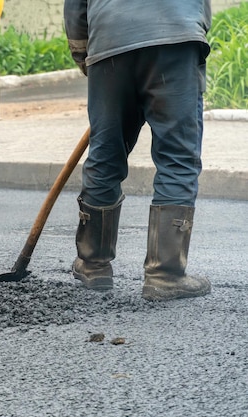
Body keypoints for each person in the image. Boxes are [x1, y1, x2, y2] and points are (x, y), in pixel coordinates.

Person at [64, 0, 212, 301]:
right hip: (175, 36)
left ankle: (93, 265)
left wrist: (83, 53)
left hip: (110, 41)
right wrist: (192, 27)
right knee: (177, 157)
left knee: (106, 152)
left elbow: (75, 8)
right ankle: (165, 276)